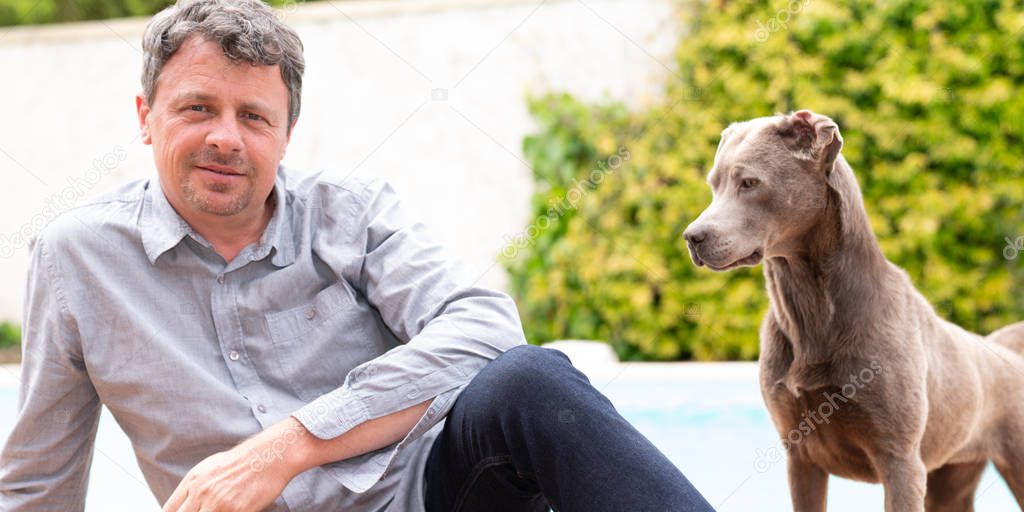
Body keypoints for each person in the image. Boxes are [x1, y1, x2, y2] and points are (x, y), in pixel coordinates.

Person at [0, 1, 715, 511]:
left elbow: (487, 330)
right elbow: (37, 482)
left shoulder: (354, 211)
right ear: (145, 119)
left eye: (254, 117)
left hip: (429, 496)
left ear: (286, 136)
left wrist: (290, 445)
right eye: (197, 108)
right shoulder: (77, 259)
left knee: (529, 380)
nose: (227, 137)